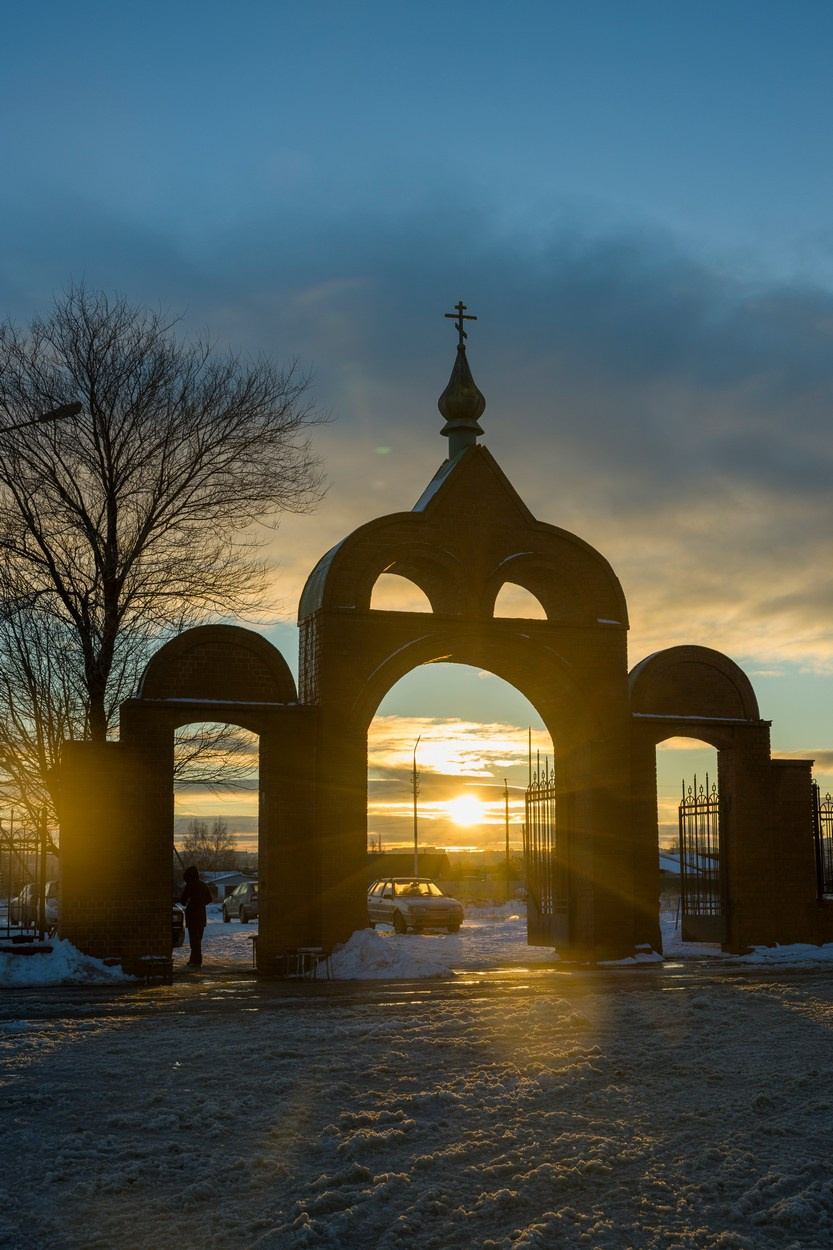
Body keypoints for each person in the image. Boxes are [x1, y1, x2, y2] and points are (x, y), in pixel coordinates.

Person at [180, 865, 213, 967]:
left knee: (194, 940)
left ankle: (196, 961)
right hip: (201, 916)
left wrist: (189, 901)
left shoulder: (189, 886)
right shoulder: (203, 885)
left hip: (192, 916)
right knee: (198, 939)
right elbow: (210, 899)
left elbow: (182, 901)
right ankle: (194, 959)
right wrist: (202, 903)